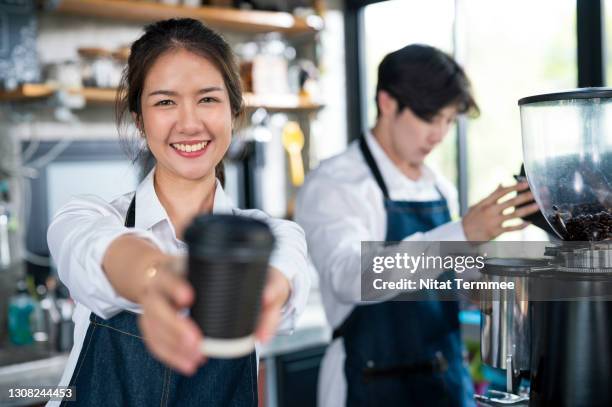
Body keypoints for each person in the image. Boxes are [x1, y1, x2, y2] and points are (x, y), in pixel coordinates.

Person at [47, 18, 310, 407]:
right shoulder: (87, 216)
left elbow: (283, 268)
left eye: (207, 99)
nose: (189, 124)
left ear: (233, 112)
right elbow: (94, 250)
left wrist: (265, 289)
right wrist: (154, 277)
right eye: (165, 101)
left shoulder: (268, 235)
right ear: (139, 120)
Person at [295, 44, 540, 407]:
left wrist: (484, 287)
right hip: (367, 386)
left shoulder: (439, 186)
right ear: (387, 102)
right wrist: (461, 233)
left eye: (448, 120)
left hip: (445, 385)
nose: (439, 134)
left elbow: (447, 283)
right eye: (430, 118)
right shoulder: (335, 183)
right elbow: (352, 277)